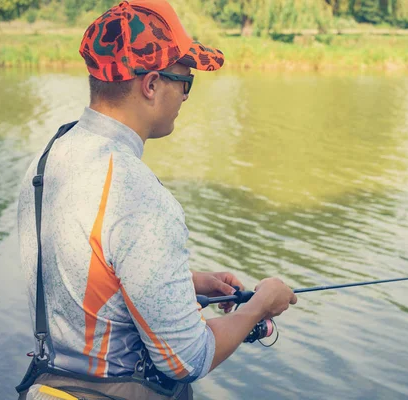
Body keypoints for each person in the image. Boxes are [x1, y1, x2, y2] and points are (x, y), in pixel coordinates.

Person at [16, 0, 297, 398]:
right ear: (151, 84)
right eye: (185, 81)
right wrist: (262, 304)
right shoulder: (138, 195)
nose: (185, 95)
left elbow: (79, 277)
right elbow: (187, 359)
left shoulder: (47, 161)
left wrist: (184, 284)